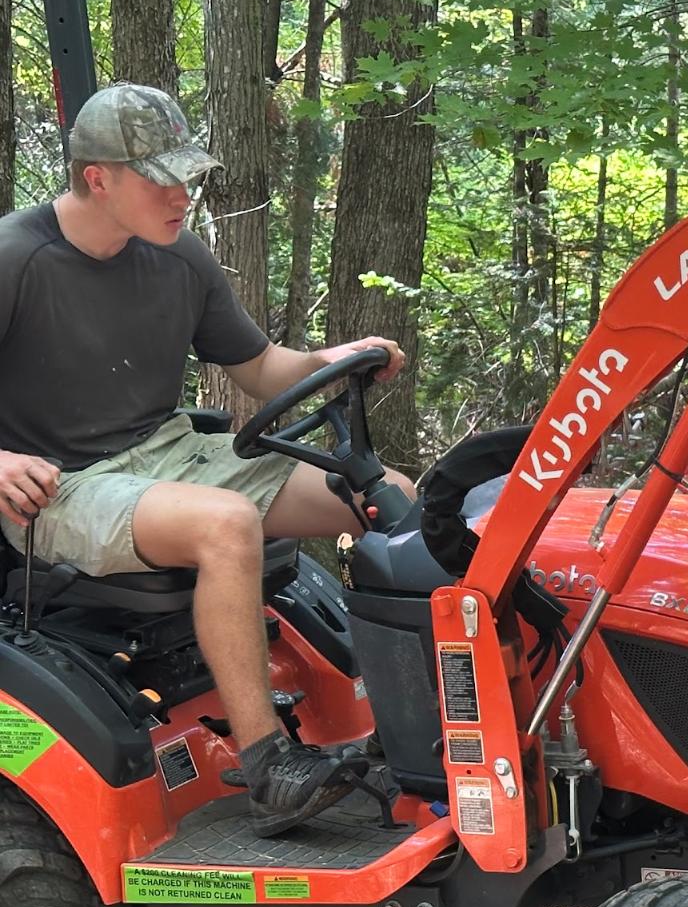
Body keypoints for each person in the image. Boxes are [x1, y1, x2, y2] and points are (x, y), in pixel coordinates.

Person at [0, 83, 416, 835]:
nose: (181, 195)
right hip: (59, 489)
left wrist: (332, 358)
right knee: (225, 523)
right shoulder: (16, 259)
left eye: (185, 177)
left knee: (386, 495)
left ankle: (411, 727)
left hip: (170, 453)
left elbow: (259, 369)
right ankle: (268, 767)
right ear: (98, 179)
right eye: (161, 179)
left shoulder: (178, 255)